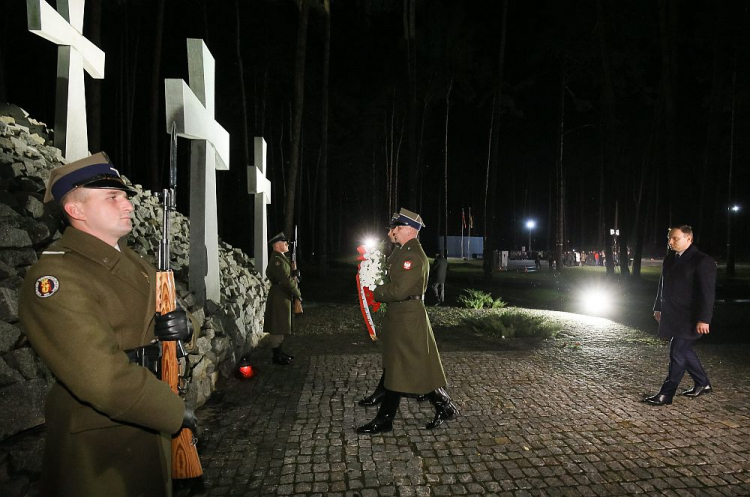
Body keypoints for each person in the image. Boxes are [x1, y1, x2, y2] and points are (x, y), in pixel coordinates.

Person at [18, 153, 196, 497]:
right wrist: (172, 411)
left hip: (145, 425)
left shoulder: (131, 260)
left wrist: (183, 325)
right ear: (76, 210)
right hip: (101, 443)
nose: (127, 204)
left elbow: (166, 313)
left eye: (125, 196)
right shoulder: (56, 276)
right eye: (112, 197)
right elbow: (102, 378)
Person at [357, 208, 458, 434]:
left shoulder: (413, 255)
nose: (393, 231)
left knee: (403, 367)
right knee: (410, 365)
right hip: (401, 315)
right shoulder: (403, 252)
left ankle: (385, 419)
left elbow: (399, 289)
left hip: (408, 316)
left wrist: (375, 291)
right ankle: (444, 406)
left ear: (410, 230)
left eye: (398, 227)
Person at [644, 225, 717, 406]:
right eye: (669, 238)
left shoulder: (702, 261)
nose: (670, 242)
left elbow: (707, 293)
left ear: (689, 239)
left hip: (691, 318)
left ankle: (666, 394)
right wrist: (658, 307)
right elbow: (663, 286)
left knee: (677, 352)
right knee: (684, 351)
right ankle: (703, 383)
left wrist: (704, 319)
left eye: (675, 238)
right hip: (674, 315)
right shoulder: (670, 259)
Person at [263, 232, 302, 365]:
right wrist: (297, 294)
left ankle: (279, 352)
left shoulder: (281, 258)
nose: (287, 245)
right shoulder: (277, 261)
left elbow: (288, 276)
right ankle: (276, 355)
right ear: (277, 245)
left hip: (282, 295)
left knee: (281, 325)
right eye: (284, 243)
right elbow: (286, 280)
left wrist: (295, 273)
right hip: (279, 296)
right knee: (277, 326)